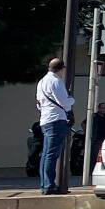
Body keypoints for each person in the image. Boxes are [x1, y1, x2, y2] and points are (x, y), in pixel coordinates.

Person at [34, 57, 75, 194]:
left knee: (46, 154)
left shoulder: (41, 82)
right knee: (52, 154)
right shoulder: (56, 81)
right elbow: (64, 101)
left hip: (45, 119)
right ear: (61, 68)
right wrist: (72, 100)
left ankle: (44, 184)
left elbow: (39, 104)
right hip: (56, 120)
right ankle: (49, 186)